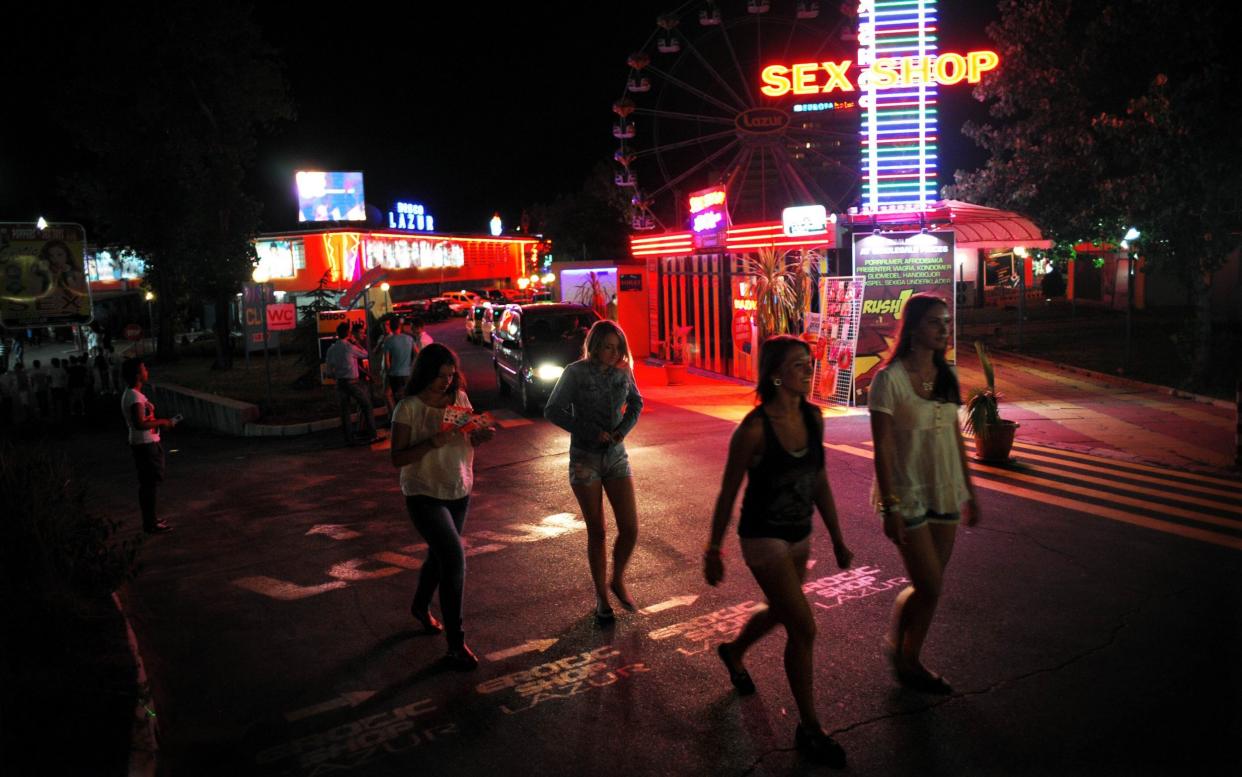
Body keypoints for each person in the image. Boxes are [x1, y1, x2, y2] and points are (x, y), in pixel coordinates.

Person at [704, 335, 853, 767]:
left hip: (799, 532)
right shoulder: (753, 429)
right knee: (803, 627)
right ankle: (810, 728)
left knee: (779, 611)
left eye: (810, 363)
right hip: (763, 536)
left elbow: (819, 479)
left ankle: (733, 652)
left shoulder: (814, 417)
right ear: (775, 375)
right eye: (799, 365)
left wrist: (838, 537)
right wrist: (713, 547)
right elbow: (728, 491)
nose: (809, 370)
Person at [868, 293, 979, 695]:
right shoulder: (888, 380)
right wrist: (892, 506)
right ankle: (909, 660)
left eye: (947, 322)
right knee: (931, 585)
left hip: (945, 490)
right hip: (907, 494)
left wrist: (970, 491)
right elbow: (882, 447)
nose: (944, 329)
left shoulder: (946, 375)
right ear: (914, 327)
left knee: (927, 584)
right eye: (935, 322)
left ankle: (902, 648)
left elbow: (954, 434)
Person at [390, 343, 494, 670]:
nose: (446, 382)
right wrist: (431, 442)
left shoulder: (459, 400)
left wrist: (479, 435)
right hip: (423, 492)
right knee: (453, 558)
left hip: (458, 487)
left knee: (439, 556)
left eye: (450, 375)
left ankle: (420, 606)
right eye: (439, 376)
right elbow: (397, 457)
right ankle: (456, 643)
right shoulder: (407, 409)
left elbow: (468, 437)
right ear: (425, 373)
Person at [544, 320, 644, 623]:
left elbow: (636, 403)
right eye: (607, 347)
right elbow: (553, 409)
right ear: (595, 345)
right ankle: (602, 598)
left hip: (615, 456)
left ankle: (618, 579)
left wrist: (621, 431)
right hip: (585, 458)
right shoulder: (575, 372)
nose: (613, 353)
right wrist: (588, 431)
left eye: (618, 348)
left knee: (630, 527)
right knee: (597, 531)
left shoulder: (623, 371)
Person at [121, 357, 174, 533]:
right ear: (137, 374)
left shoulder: (132, 394)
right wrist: (163, 422)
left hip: (144, 443)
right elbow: (140, 423)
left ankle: (150, 519)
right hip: (145, 444)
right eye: (144, 369)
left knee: (149, 483)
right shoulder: (134, 397)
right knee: (149, 484)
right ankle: (150, 523)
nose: (147, 371)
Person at [324, 322, 377, 445]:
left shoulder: (332, 349)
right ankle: (373, 435)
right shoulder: (349, 347)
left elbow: (328, 370)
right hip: (352, 382)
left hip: (339, 382)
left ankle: (349, 439)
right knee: (366, 405)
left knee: (345, 411)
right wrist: (355, 342)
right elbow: (365, 354)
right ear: (348, 334)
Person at [381, 318, 416, 418]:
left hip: (395, 375)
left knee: (398, 400)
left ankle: (400, 421)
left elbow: (387, 361)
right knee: (408, 398)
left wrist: (387, 374)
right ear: (400, 326)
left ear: (391, 327)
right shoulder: (409, 339)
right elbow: (417, 353)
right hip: (407, 373)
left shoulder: (388, 341)